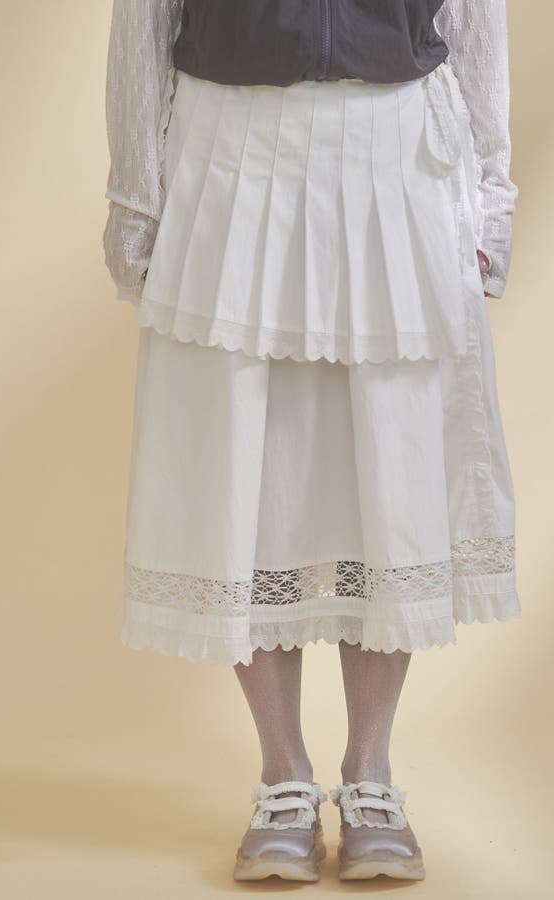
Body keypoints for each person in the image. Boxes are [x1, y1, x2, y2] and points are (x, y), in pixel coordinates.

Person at [102, 0, 519, 882]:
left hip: (397, 150)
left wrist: (491, 198)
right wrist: (136, 197)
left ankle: (371, 773)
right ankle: (282, 774)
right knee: (246, 470)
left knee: (391, 469)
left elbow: (476, 15)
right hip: (230, 151)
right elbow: (142, 18)